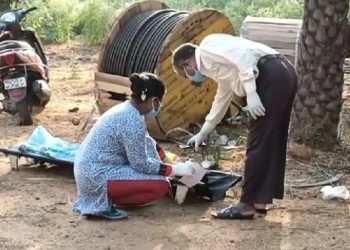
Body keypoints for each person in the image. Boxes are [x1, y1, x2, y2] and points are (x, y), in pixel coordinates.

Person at [172, 33, 297, 220]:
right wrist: (204, 131)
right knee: (272, 139)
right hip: (284, 72)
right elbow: (222, 99)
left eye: (186, 74)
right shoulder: (217, 65)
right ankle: (259, 200)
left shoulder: (207, 48)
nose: (191, 78)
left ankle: (245, 205)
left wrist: (252, 93)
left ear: (188, 64)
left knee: (257, 141)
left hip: (269, 75)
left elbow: (242, 56)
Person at [73, 72, 194, 220]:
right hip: (97, 177)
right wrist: (174, 170)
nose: (159, 106)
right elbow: (140, 164)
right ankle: (105, 204)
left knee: (158, 173)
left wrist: (167, 160)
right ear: (155, 101)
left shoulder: (127, 110)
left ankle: (115, 197)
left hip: (89, 171)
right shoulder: (132, 120)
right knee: (161, 185)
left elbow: (146, 141)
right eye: (159, 102)